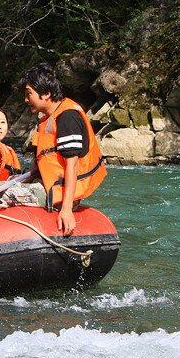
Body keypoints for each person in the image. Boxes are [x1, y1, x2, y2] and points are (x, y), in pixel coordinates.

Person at [18, 63, 106, 235]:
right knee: (1, 185)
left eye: (29, 94)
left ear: (46, 93)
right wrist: (17, 183)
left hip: (62, 195)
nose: (26, 100)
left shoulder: (67, 118)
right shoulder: (48, 120)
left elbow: (72, 165)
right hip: (48, 186)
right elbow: (39, 164)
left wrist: (66, 209)